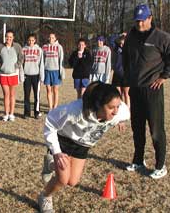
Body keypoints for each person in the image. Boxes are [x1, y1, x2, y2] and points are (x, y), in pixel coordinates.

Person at [38, 82, 130, 212]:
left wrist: (120, 120)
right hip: (64, 140)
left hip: (83, 146)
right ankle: (45, 197)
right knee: (63, 179)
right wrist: (57, 152)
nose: (115, 111)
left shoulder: (121, 112)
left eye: (118, 106)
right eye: (111, 107)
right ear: (98, 105)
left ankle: (51, 165)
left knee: (72, 182)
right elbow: (51, 122)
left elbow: (123, 113)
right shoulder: (75, 110)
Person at [123, 4, 170, 179]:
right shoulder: (131, 36)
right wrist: (126, 79)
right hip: (135, 89)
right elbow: (126, 58)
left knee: (156, 129)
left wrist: (164, 76)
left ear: (150, 18)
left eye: (142, 20)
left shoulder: (161, 37)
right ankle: (138, 160)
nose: (140, 24)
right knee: (137, 127)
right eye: (137, 21)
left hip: (152, 89)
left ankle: (160, 165)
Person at [0, 30, 24, 121]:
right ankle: (6, 113)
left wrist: (16, 66)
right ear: (5, 37)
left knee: (12, 94)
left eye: (10, 37)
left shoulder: (17, 46)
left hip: (13, 74)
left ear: (13, 37)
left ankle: (12, 114)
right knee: (6, 94)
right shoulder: (0, 46)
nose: (9, 38)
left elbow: (21, 57)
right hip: (3, 74)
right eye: (7, 36)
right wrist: (0, 66)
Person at [22, 33, 44, 119]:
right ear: (27, 40)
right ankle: (27, 113)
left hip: (36, 75)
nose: (31, 42)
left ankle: (36, 112)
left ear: (35, 40)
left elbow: (41, 63)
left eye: (32, 40)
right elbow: (21, 63)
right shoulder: (23, 49)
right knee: (26, 95)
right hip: (26, 75)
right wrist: (22, 74)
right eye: (29, 40)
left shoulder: (39, 50)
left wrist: (42, 76)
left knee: (36, 95)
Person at [42, 32, 65, 111]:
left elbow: (61, 60)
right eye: (50, 37)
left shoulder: (59, 47)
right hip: (47, 71)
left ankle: (55, 107)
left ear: (55, 38)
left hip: (56, 71)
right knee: (48, 90)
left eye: (52, 37)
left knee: (55, 90)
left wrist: (61, 72)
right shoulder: (44, 47)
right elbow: (42, 59)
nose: (51, 39)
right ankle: (50, 107)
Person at [111, 34, 130, 108]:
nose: (122, 45)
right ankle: (121, 110)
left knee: (126, 94)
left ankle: (128, 111)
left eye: (123, 43)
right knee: (118, 94)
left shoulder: (129, 49)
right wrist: (120, 35)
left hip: (126, 75)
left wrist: (128, 36)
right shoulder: (117, 48)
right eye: (121, 43)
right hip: (117, 74)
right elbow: (111, 39)